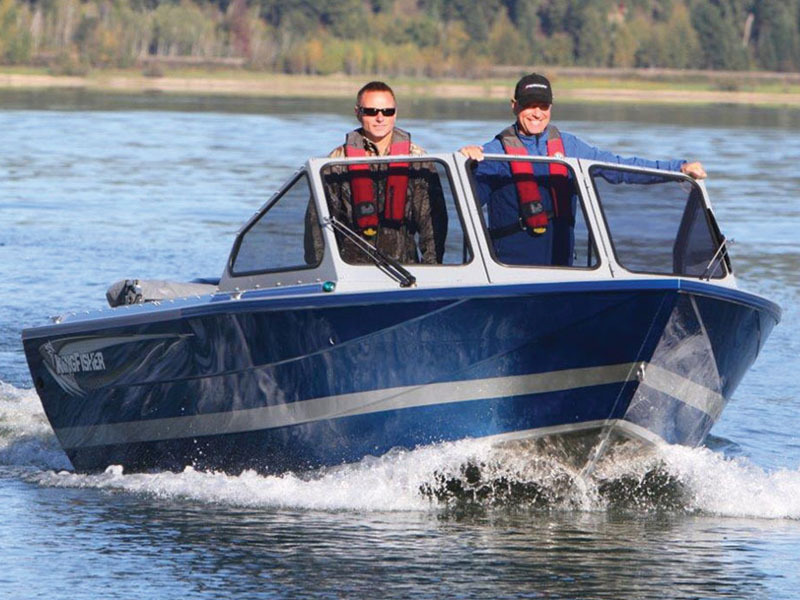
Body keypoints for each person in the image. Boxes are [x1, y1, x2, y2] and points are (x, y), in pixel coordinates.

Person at [460, 72, 707, 266]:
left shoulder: (570, 147)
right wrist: (467, 166)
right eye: (529, 105)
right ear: (514, 106)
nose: (536, 113)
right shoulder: (493, 152)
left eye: (543, 106)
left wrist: (678, 168)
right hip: (508, 269)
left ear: (551, 108)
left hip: (561, 268)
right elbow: (465, 203)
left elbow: (620, 168)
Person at [305, 81, 446, 265]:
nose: (380, 118)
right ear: (358, 113)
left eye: (387, 111)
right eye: (371, 111)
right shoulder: (336, 161)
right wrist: (320, 267)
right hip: (351, 267)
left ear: (396, 113)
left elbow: (432, 222)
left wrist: (432, 269)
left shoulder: (418, 159)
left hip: (404, 268)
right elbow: (316, 224)